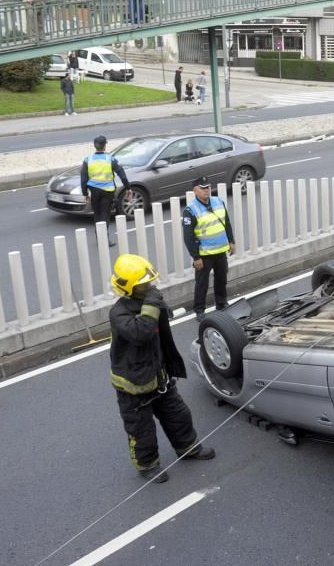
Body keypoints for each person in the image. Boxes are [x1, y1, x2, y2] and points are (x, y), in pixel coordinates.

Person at [109, 254, 216, 484]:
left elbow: (161, 322)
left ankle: (188, 448)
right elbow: (141, 333)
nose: (149, 286)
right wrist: (152, 303)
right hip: (133, 387)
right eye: (143, 284)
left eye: (149, 282)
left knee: (178, 415)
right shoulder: (119, 313)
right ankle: (147, 466)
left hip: (159, 377)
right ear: (128, 288)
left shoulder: (149, 302)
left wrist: (156, 303)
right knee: (141, 430)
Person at [182, 176, 236, 322]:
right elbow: (188, 236)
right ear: (195, 190)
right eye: (203, 188)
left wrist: (231, 241)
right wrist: (196, 257)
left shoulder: (218, 202)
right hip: (204, 255)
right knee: (201, 284)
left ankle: (221, 303)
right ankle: (199, 310)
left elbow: (227, 223)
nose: (207, 190)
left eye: (208, 187)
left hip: (220, 252)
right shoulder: (190, 210)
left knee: (221, 279)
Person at [81, 135, 130, 247]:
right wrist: (128, 188)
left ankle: (99, 238)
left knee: (97, 215)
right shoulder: (110, 159)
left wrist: (85, 194)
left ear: (94, 146)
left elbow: (83, 179)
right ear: (105, 146)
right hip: (107, 192)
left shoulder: (87, 160)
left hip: (94, 191)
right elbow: (122, 175)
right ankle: (105, 240)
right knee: (105, 215)